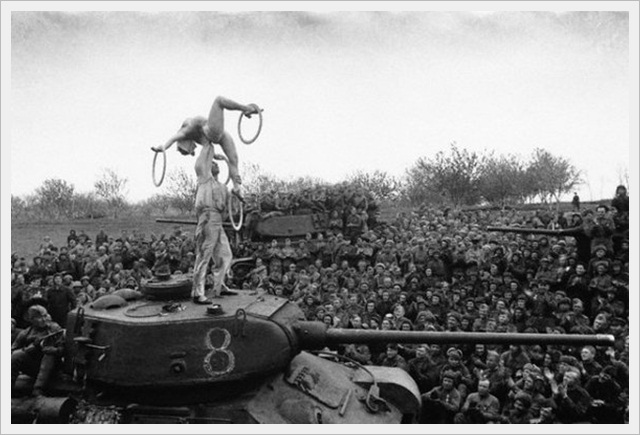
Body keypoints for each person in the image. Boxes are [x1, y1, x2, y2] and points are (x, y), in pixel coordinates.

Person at [151, 96, 261, 199]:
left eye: (189, 150)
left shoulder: (188, 129)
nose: (192, 149)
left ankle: (237, 188)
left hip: (219, 134)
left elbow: (175, 138)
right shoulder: (189, 133)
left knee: (234, 159)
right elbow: (176, 139)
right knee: (219, 100)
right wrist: (164, 147)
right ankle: (246, 109)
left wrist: (164, 147)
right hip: (213, 132)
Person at [191, 155, 232, 304]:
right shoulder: (204, 181)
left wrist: (226, 160)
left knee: (225, 253)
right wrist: (211, 154)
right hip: (207, 218)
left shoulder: (223, 187)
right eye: (212, 163)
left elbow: (227, 207)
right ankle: (198, 292)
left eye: (216, 164)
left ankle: (219, 285)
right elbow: (201, 163)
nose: (215, 165)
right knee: (204, 255)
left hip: (218, 220)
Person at [11, 305, 64, 396]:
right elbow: (12, 351)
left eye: (45, 316)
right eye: (39, 318)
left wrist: (52, 350)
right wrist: (26, 350)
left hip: (52, 369)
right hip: (34, 367)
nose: (43, 320)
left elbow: (64, 350)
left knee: (48, 355)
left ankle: (38, 390)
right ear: (31, 320)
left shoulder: (55, 329)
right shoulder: (26, 333)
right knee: (16, 355)